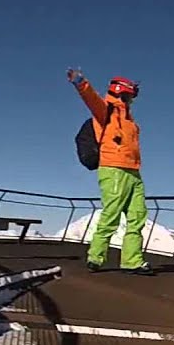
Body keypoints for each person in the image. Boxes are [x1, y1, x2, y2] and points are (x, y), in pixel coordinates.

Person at [66, 68, 153, 275]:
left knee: (137, 216)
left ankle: (132, 261)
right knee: (111, 214)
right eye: (130, 96)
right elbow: (91, 98)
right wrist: (80, 82)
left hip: (133, 171)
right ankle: (95, 257)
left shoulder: (129, 120)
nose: (132, 100)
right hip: (113, 169)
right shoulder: (106, 111)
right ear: (121, 92)